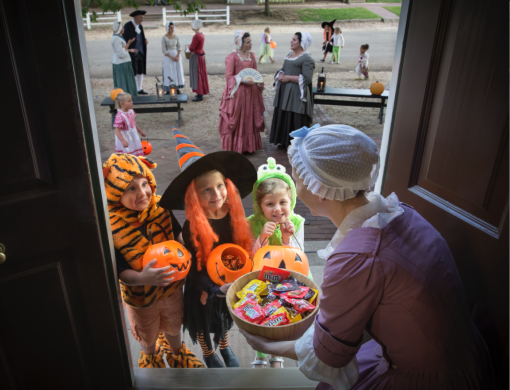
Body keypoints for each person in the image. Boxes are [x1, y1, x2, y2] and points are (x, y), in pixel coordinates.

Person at [240, 124, 495, 389]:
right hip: (467, 359)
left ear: (318, 189)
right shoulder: (402, 214)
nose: (293, 178)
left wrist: (268, 344)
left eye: (297, 171)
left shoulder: (357, 257)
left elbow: (329, 355)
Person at [159, 128, 257, 368]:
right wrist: (209, 288)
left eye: (221, 186)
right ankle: (208, 352)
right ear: (194, 196)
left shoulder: (233, 213)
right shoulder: (192, 225)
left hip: (228, 277)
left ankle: (224, 346)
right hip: (201, 281)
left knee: (223, 318)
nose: (217, 195)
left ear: (228, 185)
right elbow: (191, 263)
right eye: (207, 190)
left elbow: (239, 248)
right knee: (202, 321)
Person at [102, 153, 204, 368]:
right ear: (114, 192)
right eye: (130, 188)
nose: (142, 193)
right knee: (147, 333)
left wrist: (189, 244)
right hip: (141, 298)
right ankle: (151, 356)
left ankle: (177, 353)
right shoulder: (113, 226)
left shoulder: (159, 208)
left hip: (172, 288)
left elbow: (176, 235)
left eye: (144, 184)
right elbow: (119, 271)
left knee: (174, 324)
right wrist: (141, 277)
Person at [246, 157, 310, 369]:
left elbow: (298, 257)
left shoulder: (296, 222)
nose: (277, 209)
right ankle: (261, 355)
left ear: (290, 202)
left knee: (281, 315)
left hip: (288, 280)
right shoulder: (253, 224)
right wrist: (261, 239)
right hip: (261, 278)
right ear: (259, 205)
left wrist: (286, 239)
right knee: (261, 315)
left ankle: (277, 354)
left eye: (283, 202)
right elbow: (251, 257)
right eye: (270, 204)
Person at [218, 30, 265, 154]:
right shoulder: (232, 57)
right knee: (238, 118)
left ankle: (248, 146)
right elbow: (228, 77)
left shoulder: (252, 56)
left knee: (249, 117)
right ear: (241, 44)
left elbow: (256, 73)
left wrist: (257, 82)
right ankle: (236, 146)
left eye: (251, 41)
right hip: (238, 94)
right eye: (248, 42)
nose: (251, 44)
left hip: (251, 94)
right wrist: (243, 80)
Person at [269, 32, 315, 149]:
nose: (291, 41)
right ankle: (285, 142)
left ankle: (295, 144)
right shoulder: (290, 55)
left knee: (295, 116)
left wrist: (289, 78)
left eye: (294, 40)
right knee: (284, 115)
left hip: (296, 95)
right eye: (292, 39)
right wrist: (280, 74)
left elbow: (307, 79)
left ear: (301, 43)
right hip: (285, 92)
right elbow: (284, 69)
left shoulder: (307, 59)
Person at [123, 10, 149, 94]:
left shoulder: (140, 26)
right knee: (133, 70)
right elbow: (124, 40)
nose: (142, 19)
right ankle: (132, 88)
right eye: (140, 17)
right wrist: (128, 48)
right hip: (132, 52)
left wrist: (144, 41)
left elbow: (141, 36)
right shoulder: (128, 26)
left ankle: (139, 88)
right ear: (135, 17)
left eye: (142, 17)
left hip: (140, 51)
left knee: (140, 70)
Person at [110, 21, 138, 97]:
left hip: (124, 63)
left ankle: (129, 98)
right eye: (122, 27)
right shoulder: (116, 39)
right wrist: (128, 43)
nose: (123, 28)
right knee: (123, 82)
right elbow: (120, 54)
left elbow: (120, 50)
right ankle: (124, 99)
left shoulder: (118, 37)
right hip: (121, 64)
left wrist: (129, 50)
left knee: (127, 81)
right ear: (118, 28)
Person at [188, 19, 209, 102]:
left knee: (197, 74)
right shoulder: (202, 35)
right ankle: (201, 91)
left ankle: (199, 94)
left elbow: (192, 47)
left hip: (197, 56)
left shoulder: (196, 36)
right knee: (201, 73)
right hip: (201, 55)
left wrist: (190, 49)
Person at [161, 22, 185, 93]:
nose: (172, 29)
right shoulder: (164, 37)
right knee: (169, 72)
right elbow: (164, 50)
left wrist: (178, 56)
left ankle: (176, 88)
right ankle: (168, 89)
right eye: (170, 28)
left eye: (173, 27)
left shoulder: (176, 36)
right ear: (167, 28)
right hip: (168, 57)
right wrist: (171, 57)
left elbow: (179, 47)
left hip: (176, 57)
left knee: (176, 72)